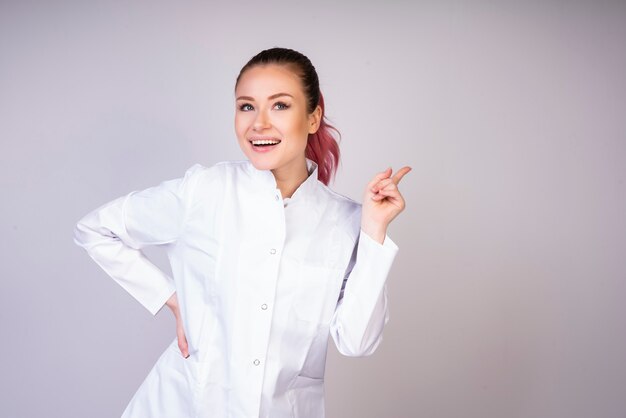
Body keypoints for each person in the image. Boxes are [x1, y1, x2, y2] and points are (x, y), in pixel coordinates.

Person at [74, 47, 410, 418]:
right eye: (246, 106)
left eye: (280, 106)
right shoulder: (204, 191)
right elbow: (96, 229)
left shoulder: (346, 221)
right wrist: (172, 298)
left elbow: (357, 342)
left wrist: (374, 231)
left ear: (313, 118)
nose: (259, 124)